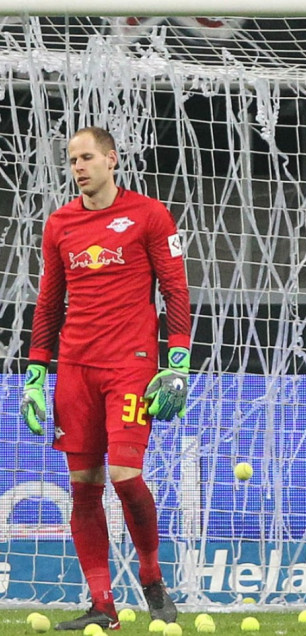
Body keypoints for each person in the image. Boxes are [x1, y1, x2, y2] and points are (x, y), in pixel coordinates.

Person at [19, 127, 191, 631]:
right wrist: (35, 372)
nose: (78, 167)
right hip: (75, 368)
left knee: (125, 475)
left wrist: (176, 362)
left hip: (131, 365)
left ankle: (152, 573)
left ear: (112, 160)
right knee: (84, 487)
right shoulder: (60, 225)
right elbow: (49, 302)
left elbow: (175, 291)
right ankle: (103, 605)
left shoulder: (150, 216)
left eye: (87, 157)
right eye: (72, 160)